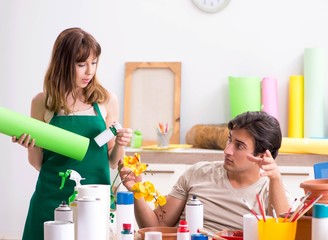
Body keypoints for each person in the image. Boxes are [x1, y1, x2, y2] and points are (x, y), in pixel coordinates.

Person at [12, 27, 132, 240]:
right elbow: (38, 163)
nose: (89, 72)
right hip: (50, 201)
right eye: (81, 64)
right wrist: (30, 146)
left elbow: (113, 162)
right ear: (63, 63)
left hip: (94, 203)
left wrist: (121, 143)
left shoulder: (106, 100)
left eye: (93, 63)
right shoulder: (42, 102)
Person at [120, 111, 292, 232]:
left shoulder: (271, 192)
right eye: (229, 140)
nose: (227, 151)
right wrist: (137, 190)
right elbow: (155, 227)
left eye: (239, 146)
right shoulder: (198, 173)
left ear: (262, 155)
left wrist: (275, 178)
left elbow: (282, 233)